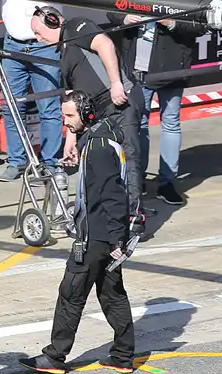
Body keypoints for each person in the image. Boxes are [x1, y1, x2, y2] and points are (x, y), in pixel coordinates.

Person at [19, 91, 135, 374]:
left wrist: (116, 239)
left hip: (95, 235)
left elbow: (113, 195)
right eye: (63, 115)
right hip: (105, 234)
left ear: (87, 114)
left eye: (70, 115)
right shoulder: (104, 135)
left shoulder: (97, 146)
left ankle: (55, 356)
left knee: (71, 293)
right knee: (112, 293)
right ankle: (122, 355)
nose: (65, 121)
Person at [31, 6, 146, 220]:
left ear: (53, 21)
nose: (38, 39)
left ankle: (132, 218)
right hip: (99, 111)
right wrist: (71, 138)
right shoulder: (64, 52)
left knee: (127, 159)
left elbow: (105, 44)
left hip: (120, 101)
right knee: (96, 161)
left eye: (38, 32)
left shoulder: (76, 27)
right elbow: (73, 100)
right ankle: (104, 216)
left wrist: (115, 84)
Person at [106, 11, 207, 207]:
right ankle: (137, 178)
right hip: (137, 72)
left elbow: (201, 25)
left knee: (170, 124)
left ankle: (167, 183)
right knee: (138, 125)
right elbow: (111, 10)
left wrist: (171, 23)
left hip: (172, 70)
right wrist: (125, 19)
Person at [0, 1, 65, 184]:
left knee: (48, 108)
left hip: (45, 46)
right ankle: (16, 161)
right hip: (12, 44)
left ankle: (50, 165)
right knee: (11, 107)